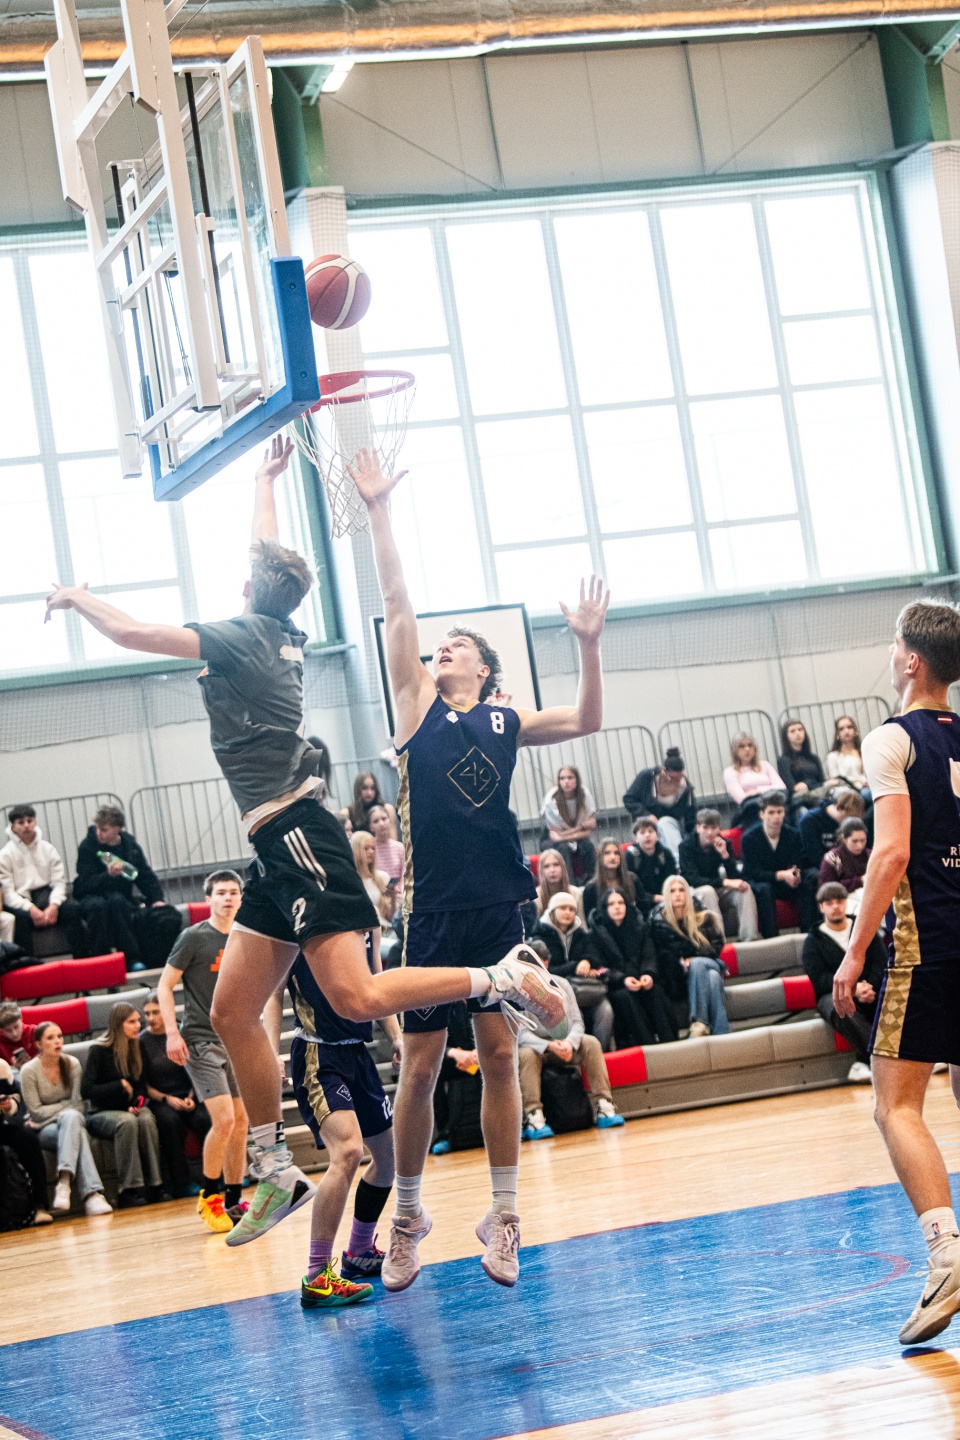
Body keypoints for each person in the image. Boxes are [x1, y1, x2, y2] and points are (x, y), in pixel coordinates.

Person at [46, 435, 565, 1252]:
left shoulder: (243, 635)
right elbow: (267, 563)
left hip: (301, 835)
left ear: (250, 591)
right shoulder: (276, 626)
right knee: (229, 1009)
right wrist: (263, 481)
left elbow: (135, 634)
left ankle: (499, 976)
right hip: (274, 846)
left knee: (355, 997)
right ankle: (273, 1166)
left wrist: (80, 598)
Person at [350, 443, 597, 1292]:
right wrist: (380, 509)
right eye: (440, 646)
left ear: (484, 668)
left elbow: (588, 718)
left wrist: (588, 645)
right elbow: (396, 603)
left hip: (498, 906)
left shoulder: (505, 720)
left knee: (497, 1055)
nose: (442, 649)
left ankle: (504, 1214)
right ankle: (408, 1216)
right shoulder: (415, 707)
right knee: (420, 1067)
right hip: (431, 911)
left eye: (458, 645)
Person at [833, 599, 960, 1345]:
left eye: (893, 644)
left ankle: (946, 1256)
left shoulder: (892, 738)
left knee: (895, 1105)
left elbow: (891, 853)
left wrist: (855, 952)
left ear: (912, 660)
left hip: (928, 941)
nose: (888, 653)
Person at [289, 927, 400, 1309]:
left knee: (388, 1158)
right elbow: (271, 995)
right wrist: (268, 1051)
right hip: (318, 1054)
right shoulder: (299, 923)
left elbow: (376, 985)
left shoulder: (368, 922)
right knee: (349, 1152)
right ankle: (317, 1276)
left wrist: (396, 1035)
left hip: (357, 1053)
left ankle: (359, 1251)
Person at [157, 870, 249, 1231]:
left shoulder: (245, 936)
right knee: (224, 1119)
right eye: (221, 893)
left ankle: (233, 1199)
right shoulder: (193, 937)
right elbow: (165, 986)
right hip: (199, 1038)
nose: (228, 898)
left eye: (233, 892)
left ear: (241, 898)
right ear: (208, 899)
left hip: (236, 1039)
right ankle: (209, 1197)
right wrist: (171, 1033)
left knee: (241, 1122)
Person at [518, 937, 623, 1139]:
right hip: (538, 1048)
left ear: (546, 963)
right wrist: (549, 1046)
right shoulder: (517, 991)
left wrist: (569, 1043)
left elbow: (577, 1022)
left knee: (591, 1042)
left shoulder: (563, 984)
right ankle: (533, 1116)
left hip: (564, 1043)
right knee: (526, 1054)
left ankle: (604, 1105)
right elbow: (521, 1035)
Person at [72, 805, 179, 972]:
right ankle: (102, 961)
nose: (99, 833)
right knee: (98, 907)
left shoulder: (130, 846)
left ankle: (132, 959)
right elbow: (85, 882)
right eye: (98, 828)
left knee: (118, 903)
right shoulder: (88, 846)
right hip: (91, 895)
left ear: (118, 829)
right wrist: (107, 876)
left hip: (119, 895)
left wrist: (157, 899)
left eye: (104, 830)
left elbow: (144, 874)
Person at [20, 1022, 111, 1215]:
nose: (57, 1041)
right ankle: (93, 1195)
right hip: (45, 1130)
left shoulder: (72, 1064)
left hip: (64, 1122)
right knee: (76, 1129)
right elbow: (35, 1112)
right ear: (38, 1044)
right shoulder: (29, 1070)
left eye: (60, 1036)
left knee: (72, 1120)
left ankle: (64, 1182)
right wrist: (64, 1107)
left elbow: (79, 1106)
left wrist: (59, 1112)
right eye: (50, 1038)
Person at [81, 1002, 163, 1207]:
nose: (138, 1026)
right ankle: (128, 1189)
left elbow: (141, 1086)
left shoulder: (137, 1046)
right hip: (100, 1112)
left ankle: (155, 1184)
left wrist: (138, 1103)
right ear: (118, 1024)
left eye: (138, 1021)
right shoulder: (98, 1050)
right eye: (131, 1022)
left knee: (146, 1118)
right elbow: (87, 1090)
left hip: (128, 1108)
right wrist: (118, 1085)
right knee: (127, 1122)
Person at [803, 883, 884, 1084]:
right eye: (829, 903)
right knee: (839, 1007)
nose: (835, 906)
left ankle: (863, 1063)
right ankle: (881, 1060)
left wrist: (868, 987)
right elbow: (820, 980)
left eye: (839, 901)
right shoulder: (813, 941)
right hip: (833, 995)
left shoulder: (863, 928)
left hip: (871, 989)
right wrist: (854, 990)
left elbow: (881, 962)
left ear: (846, 903)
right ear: (821, 907)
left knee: (902, 995)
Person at [139, 991, 211, 1200]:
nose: (150, 1018)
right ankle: (181, 1182)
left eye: (156, 1012)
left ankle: (215, 1177)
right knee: (170, 1123)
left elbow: (197, 1069)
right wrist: (167, 1099)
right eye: (147, 1014)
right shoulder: (141, 1041)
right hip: (160, 1098)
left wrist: (191, 1096)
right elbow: (144, 1084)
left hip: (189, 1093)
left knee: (205, 1119)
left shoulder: (182, 1032)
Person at [589, 888, 679, 1046]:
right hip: (616, 986)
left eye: (621, 902)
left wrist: (648, 974)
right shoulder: (595, 934)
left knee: (655, 990)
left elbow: (649, 954)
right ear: (604, 908)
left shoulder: (639, 926)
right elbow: (600, 966)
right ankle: (647, 1045)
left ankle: (671, 1044)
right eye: (611, 904)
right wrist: (623, 979)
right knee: (624, 997)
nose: (617, 907)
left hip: (640, 978)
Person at [0, 805, 86, 958]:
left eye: (30, 820)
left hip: (47, 896)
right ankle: (28, 965)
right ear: (13, 827)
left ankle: (83, 960)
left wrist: (53, 905)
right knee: (19, 920)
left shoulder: (48, 849)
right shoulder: (5, 855)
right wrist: (30, 908)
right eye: (21, 822)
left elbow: (59, 882)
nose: (26, 825)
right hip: (21, 900)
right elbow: (8, 893)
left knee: (72, 909)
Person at [532, 892, 614, 1049]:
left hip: (585, 989)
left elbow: (596, 956)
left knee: (606, 1011)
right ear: (552, 910)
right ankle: (578, 1055)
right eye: (563, 908)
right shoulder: (540, 937)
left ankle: (602, 1054)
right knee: (575, 1015)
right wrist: (574, 967)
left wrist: (587, 960)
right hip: (558, 993)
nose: (568, 912)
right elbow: (544, 971)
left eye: (571, 909)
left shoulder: (580, 933)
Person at [650, 876, 728, 1038]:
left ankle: (698, 1021)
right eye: (672, 891)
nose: (677, 894)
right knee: (713, 978)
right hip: (681, 976)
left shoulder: (703, 915)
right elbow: (663, 957)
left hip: (709, 962)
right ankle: (722, 1031)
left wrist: (694, 957)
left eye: (681, 890)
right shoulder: (658, 924)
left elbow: (716, 945)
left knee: (698, 964)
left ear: (687, 893)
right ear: (665, 896)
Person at [741, 791, 818, 934]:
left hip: (785, 880)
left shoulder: (793, 834)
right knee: (765, 889)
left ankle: (809, 932)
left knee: (806, 885)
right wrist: (781, 875)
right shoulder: (749, 838)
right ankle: (771, 935)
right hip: (761, 881)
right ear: (762, 814)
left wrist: (795, 874)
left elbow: (798, 861)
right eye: (771, 812)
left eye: (779, 812)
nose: (776, 817)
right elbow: (752, 871)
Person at [678, 808, 761, 941]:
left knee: (744, 889)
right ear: (698, 828)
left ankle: (750, 938)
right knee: (708, 891)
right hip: (695, 892)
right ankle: (719, 941)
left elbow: (735, 877)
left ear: (719, 829)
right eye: (705, 827)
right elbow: (692, 879)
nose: (710, 832)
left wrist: (725, 855)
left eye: (714, 828)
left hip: (716, 888)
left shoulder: (724, 843)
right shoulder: (685, 846)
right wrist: (724, 882)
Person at [0, 1056, 53, 1225]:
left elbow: (14, 1096)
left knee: (28, 1140)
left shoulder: (1, 1067)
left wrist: (9, 1106)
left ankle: (39, 1206)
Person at [623, 750, 696, 861]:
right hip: (646, 822)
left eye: (678, 778)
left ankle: (677, 861)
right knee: (648, 828)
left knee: (665, 823)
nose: (675, 781)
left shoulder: (685, 788)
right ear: (663, 770)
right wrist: (647, 814)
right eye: (671, 778)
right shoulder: (647, 776)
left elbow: (690, 817)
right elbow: (629, 799)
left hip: (670, 826)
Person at [540, 766, 598, 881]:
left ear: (577, 779)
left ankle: (593, 883)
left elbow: (587, 833)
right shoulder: (551, 799)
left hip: (568, 836)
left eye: (570, 777)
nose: (566, 782)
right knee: (563, 848)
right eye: (562, 778)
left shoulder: (584, 794)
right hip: (550, 838)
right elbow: (554, 835)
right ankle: (569, 885)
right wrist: (582, 828)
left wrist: (563, 836)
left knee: (587, 846)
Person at [723, 734, 784, 829]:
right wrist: (769, 791)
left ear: (755, 749)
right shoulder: (730, 772)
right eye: (742, 746)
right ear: (735, 751)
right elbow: (742, 799)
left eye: (750, 745)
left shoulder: (765, 765)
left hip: (774, 805)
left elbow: (781, 787)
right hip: (752, 810)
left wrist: (757, 790)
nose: (747, 749)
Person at [798, 788, 865, 871]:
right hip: (818, 868)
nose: (852, 822)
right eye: (849, 816)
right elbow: (814, 856)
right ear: (838, 807)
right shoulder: (809, 821)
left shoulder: (851, 820)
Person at [624, 817, 676, 916]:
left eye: (651, 831)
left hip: (666, 898)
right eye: (642, 832)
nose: (647, 835)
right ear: (636, 838)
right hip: (641, 902)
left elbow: (672, 879)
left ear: (657, 836)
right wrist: (654, 898)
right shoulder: (630, 856)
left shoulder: (665, 853)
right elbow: (631, 888)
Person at [777, 719, 828, 809]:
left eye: (800, 729)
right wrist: (811, 784)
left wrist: (806, 784)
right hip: (800, 801)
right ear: (786, 736)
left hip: (818, 794)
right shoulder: (783, 760)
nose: (798, 733)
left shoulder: (813, 758)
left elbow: (822, 781)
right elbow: (792, 787)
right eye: (792, 731)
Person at [351, 831, 396, 929]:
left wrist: (393, 898)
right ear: (355, 851)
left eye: (373, 848)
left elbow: (389, 916)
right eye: (366, 848)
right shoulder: (350, 881)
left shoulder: (383, 877)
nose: (371, 851)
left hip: (384, 929)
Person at [582, 839, 636, 919]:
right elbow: (590, 918)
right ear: (600, 857)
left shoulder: (632, 879)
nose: (613, 857)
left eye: (616, 853)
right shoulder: (591, 888)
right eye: (607, 853)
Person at [818, 817, 871, 895]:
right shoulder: (833, 859)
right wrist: (860, 881)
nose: (860, 846)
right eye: (854, 841)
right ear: (844, 839)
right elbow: (826, 889)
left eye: (863, 841)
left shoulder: (870, 855)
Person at [342, 772, 398, 838]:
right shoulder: (347, 813)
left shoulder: (387, 809)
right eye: (364, 788)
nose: (369, 793)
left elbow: (393, 838)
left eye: (372, 788)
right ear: (357, 790)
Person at [827, 715, 871, 794]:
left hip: (865, 788)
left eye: (849, 727)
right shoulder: (833, 756)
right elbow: (835, 779)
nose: (846, 731)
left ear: (855, 730)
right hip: (845, 792)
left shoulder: (863, 752)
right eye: (841, 729)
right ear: (837, 734)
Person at [370, 805, 404, 904]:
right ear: (371, 827)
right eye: (376, 821)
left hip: (399, 896)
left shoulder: (399, 847)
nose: (381, 823)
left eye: (384, 819)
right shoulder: (370, 848)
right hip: (378, 897)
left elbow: (405, 875)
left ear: (390, 821)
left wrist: (399, 892)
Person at [534, 850, 584, 919]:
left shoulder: (576, 893)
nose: (552, 870)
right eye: (546, 866)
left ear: (563, 868)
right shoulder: (535, 897)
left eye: (556, 864)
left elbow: (581, 923)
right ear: (541, 871)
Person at [0, 1001, 38, 1070]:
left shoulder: (36, 1032)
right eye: (8, 1030)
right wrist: (13, 1068)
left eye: (16, 1027)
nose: (14, 1033)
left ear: (21, 1018)